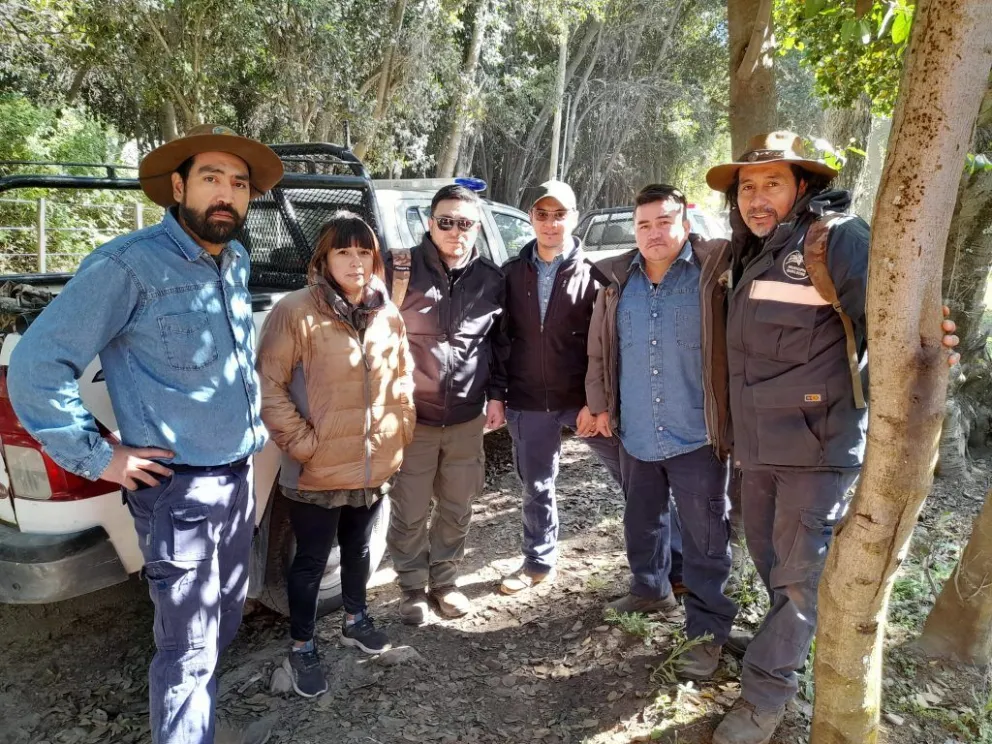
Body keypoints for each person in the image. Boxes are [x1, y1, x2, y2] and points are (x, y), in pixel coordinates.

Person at [7, 124, 283, 744]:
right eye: (212, 178)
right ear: (178, 186)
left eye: (239, 184)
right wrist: (100, 456)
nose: (227, 194)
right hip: (177, 495)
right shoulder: (128, 266)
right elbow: (36, 366)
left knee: (223, 624)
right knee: (185, 652)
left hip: (238, 484)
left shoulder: (232, 260)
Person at [704, 131, 959, 744]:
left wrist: (939, 345)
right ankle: (777, 643)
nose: (756, 198)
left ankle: (767, 695)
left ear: (804, 187)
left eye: (772, 184)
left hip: (817, 450)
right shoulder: (749, 249)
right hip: (759, 449)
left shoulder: (836, 240)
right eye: (747, 187)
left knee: (798, 579)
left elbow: (903, 326)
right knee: (770, 563)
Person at [257, 210, 414, 696]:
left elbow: (402, 378)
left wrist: (400, 430)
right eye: (343, 251)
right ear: (323, 258)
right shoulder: (296, 311)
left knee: (360, 549)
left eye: (364, 251)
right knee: (308, 562)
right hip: (316, 470)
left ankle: (355, 618)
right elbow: (269, 387)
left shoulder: (386, 313)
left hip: (372, 465)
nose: (355, 261)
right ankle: (302, 645)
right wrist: (304, 445)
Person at [586, 184, 736, 678]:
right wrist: (601, 405)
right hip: (637, 435)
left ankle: (707, 632)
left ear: (685, 224)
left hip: (697, 437)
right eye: (644, 224)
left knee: (706, 540)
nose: (654, 232)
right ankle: (650, 589)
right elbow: (601, 353)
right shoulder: (615, 283)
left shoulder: (713, 279)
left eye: (664, 221)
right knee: (642, 522)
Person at [384, 184, 507, 625]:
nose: (456, 231)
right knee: (410, 508)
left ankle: (446, 582)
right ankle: (412, 588)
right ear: (430, 224)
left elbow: (500, 345)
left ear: (476, 227)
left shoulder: (492, 280)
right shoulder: (398, 270)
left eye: (465, 223)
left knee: (457, 506)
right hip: (412, 417)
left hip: (465, 419)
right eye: (446, 221)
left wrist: (496, 396)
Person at [497, 180, 626, 594]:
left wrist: (598, 403)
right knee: (536, 486)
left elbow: (608, 346)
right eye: (542, 214)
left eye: (560, 214)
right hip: (528, 400)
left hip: (582, 403)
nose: (551, 224)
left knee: (633, 475)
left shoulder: (597, 275)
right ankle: (538, 561)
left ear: (574, 217)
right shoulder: (511, 273)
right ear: (531, 218)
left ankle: (667, 566)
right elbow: (497, 340)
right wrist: (499, 395)